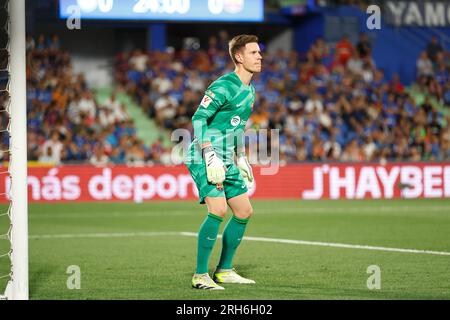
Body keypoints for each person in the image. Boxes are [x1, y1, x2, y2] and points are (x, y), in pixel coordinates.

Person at [184, 35, 262, 290]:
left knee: (243, 211)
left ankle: (224, 270)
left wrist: (241, 157)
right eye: (253, 52)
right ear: (239, 57)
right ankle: (200, 276)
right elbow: (198, 119)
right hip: (204, 155)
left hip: (227, 157)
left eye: (259, 52)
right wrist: (208, 153)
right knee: (217, 210)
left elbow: (236, 128)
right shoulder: (223, 85)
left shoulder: (250, 92)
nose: (259, 56)